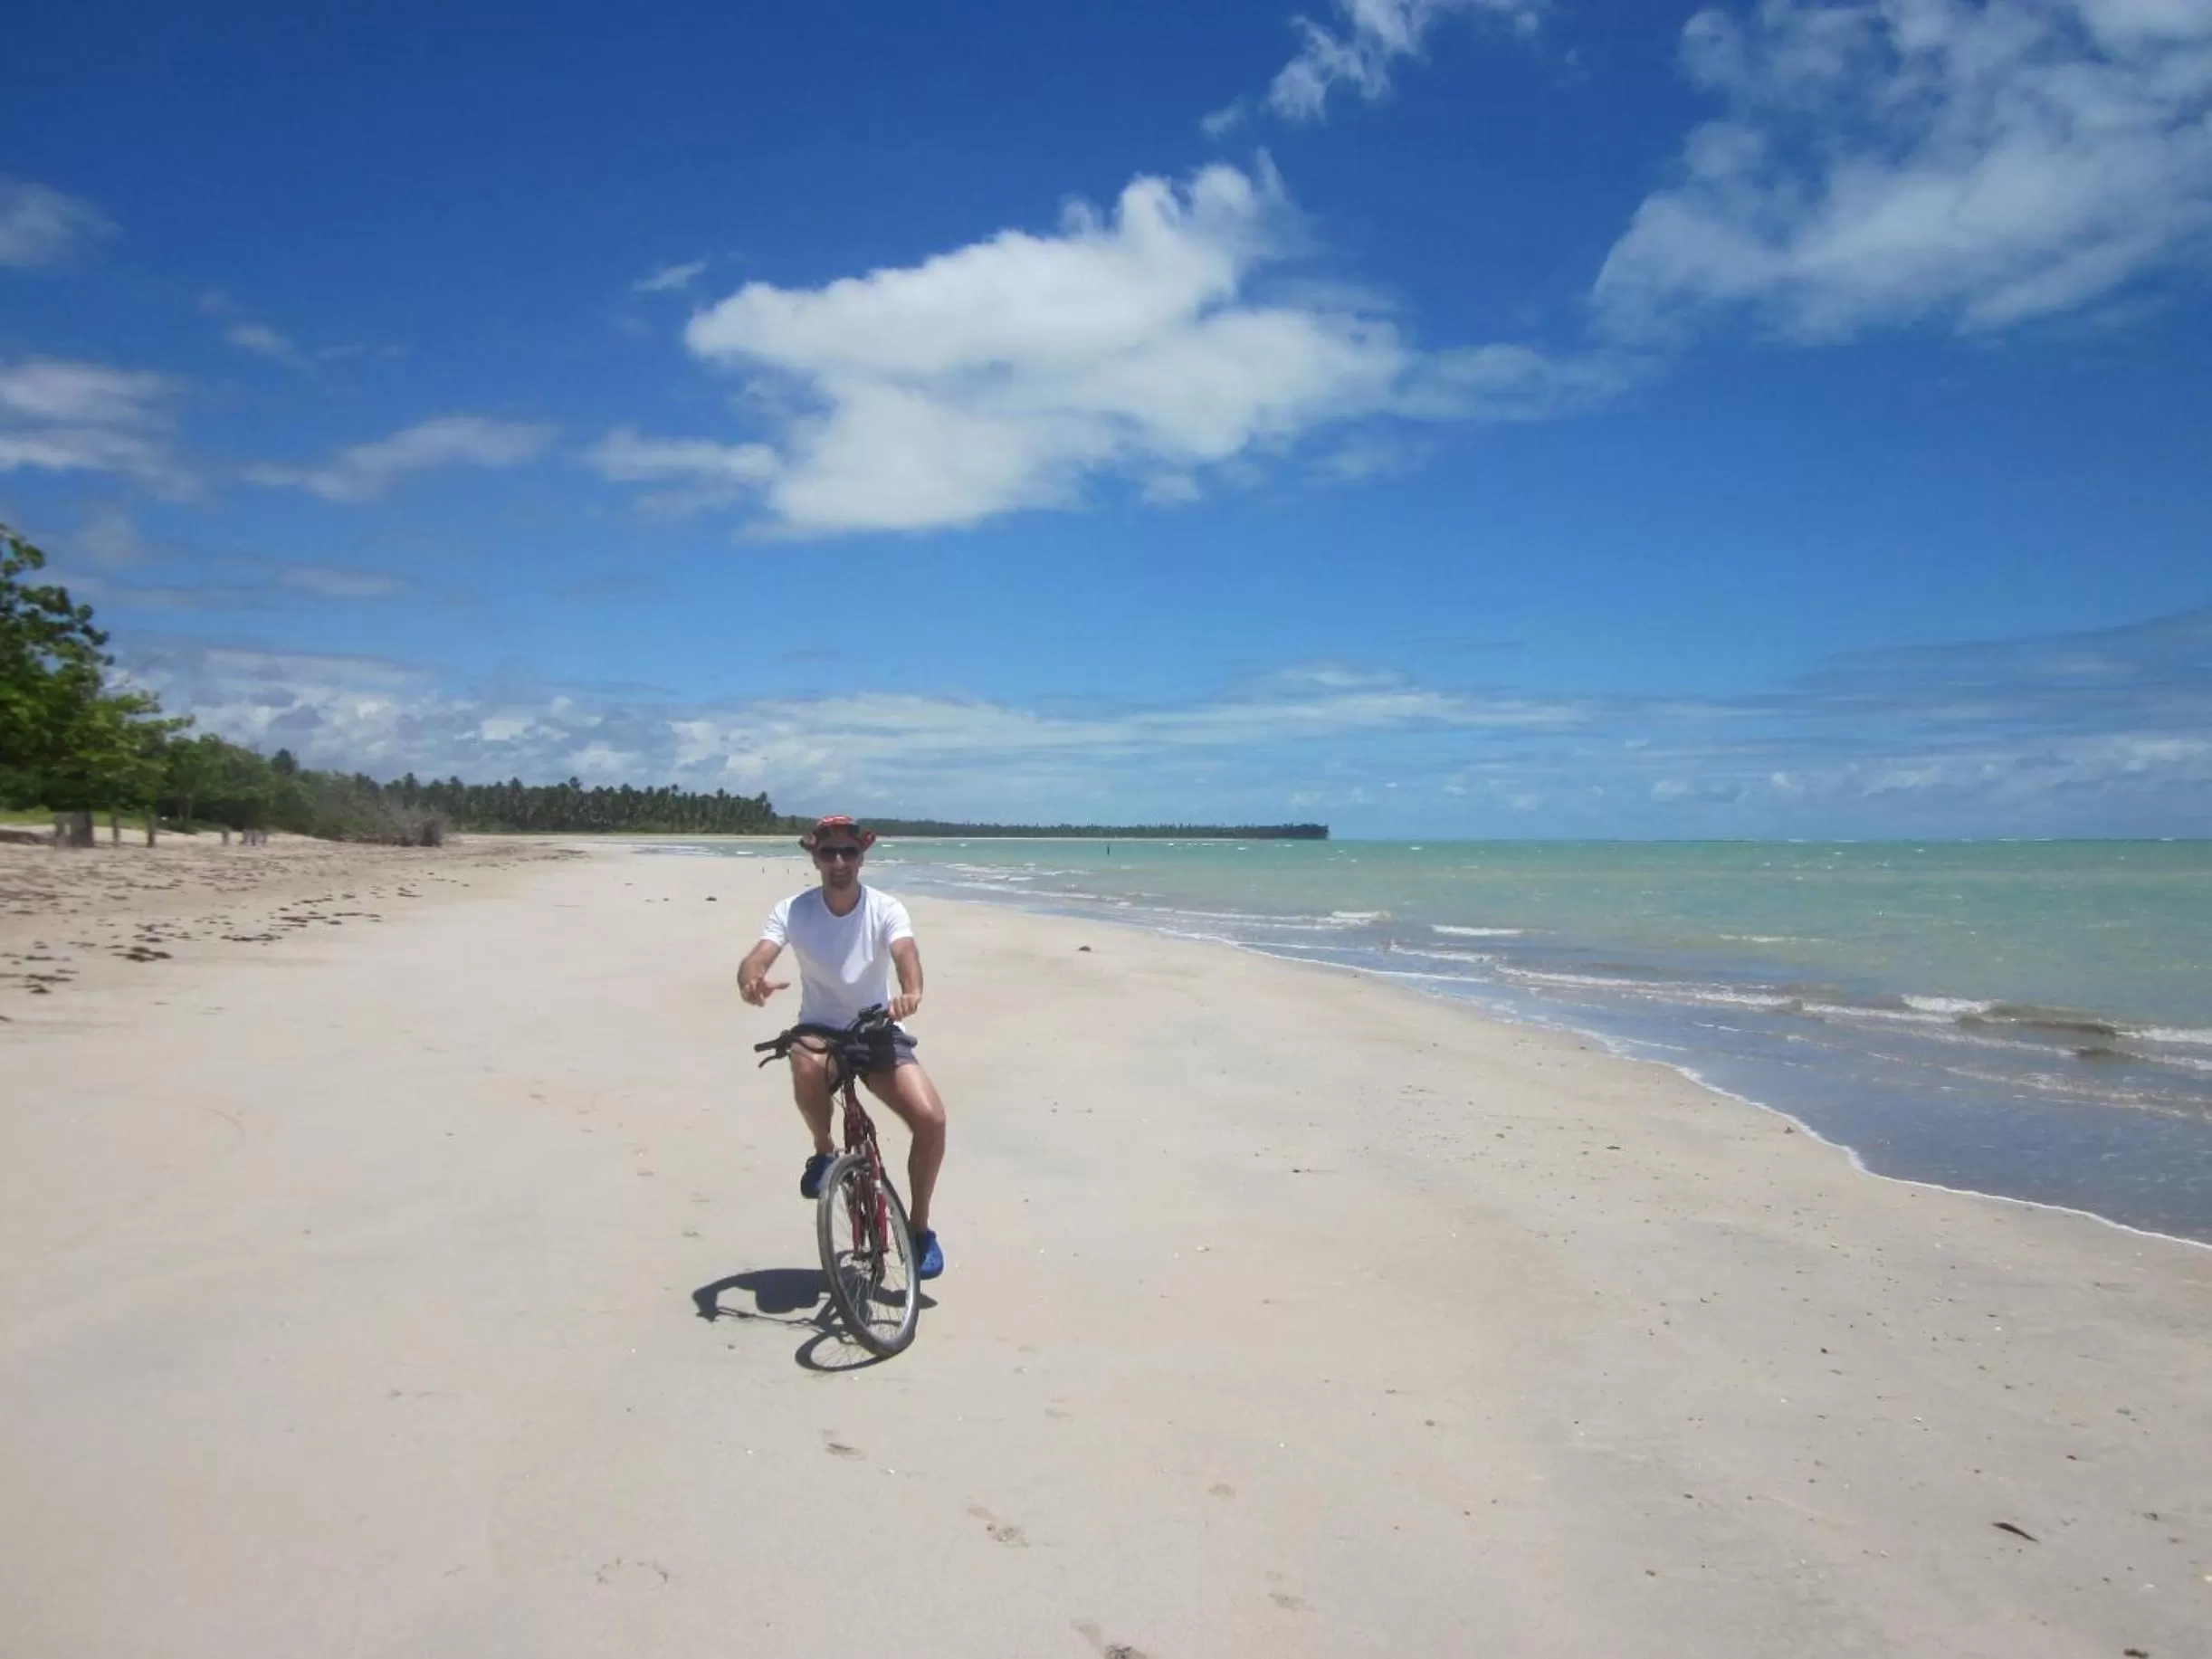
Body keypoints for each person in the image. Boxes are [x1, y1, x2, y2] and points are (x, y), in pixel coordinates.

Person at [737, 815, 949, 1279]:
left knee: (932, 1119)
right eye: (828, 852)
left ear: (861, 857)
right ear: (813, 856)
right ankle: (824, 1150)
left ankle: (918, 1229)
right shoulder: (794, 910)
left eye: (848, 852)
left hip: (875, 1027)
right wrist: (750, 979)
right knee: (806, 1059)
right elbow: (758, 955)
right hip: (819, 1027)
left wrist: (910, 991)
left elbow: (905, 954)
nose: (838, 861)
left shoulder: (885, 908)